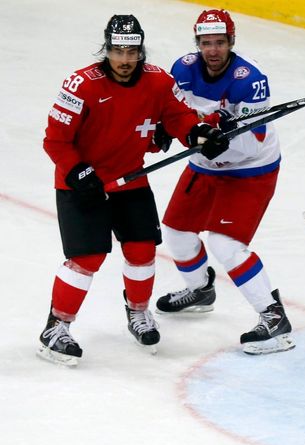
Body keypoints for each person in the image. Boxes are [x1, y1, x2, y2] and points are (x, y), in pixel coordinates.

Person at [40, 14, 230, 366]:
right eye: (118, 51)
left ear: (141, 50)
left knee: (142, 249)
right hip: (82, 184)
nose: (125, 60)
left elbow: (178, 118)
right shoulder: (80, 85)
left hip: (130, 178)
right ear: (106, 50)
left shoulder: (158, 81)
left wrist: (198, 135)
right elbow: (55, 141)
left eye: (132, 51)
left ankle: (138, 313)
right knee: (87, 258)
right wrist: (80, 172)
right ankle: (56, 327)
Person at [154, 9, 294, 355]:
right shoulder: (182, 70)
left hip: (250, 170)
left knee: (225, 244)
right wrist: (167, 129)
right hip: (204, 166)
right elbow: (176, 114)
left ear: (231, 42)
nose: (213, 50)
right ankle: (200, 289)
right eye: (206, 43)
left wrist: (222, 138)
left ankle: (274, 317)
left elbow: (253, 142)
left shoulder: (250, 80)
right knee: (175, 231)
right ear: (197, 43)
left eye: (220, 42)